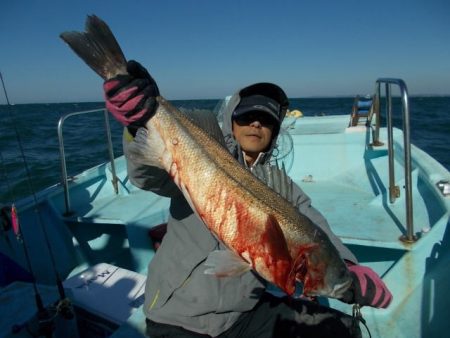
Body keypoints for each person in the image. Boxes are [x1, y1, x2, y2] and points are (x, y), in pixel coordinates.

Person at [103, 61, 392, 338]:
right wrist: (138, 125)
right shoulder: (205, 151)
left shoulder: (284, 189)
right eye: (246, 116)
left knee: (342, 330)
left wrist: (349, 268)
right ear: (231, 121)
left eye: (266, 120)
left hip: (241, 314)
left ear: (275, 131)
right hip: (175, 316)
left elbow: (315, 228)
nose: (255, 124)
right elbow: (148, 176)